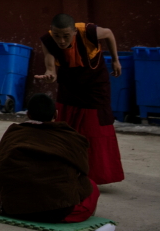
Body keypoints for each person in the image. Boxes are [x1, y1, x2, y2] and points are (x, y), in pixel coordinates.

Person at [34, 14, 124, 185]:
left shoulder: (89, 32)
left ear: (74, 32)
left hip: (94, 84)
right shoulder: (48, 40)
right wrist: (49, 75)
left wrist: (115, 60)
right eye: (57, 35)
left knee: (95, 128)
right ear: (51, 31)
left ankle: (94, 175)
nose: (61, 41)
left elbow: (110, 33)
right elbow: (51, 67)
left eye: (66, 36)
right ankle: (67, 170)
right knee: (66, 126)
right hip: (69, 85)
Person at [0, 93, 99, 222]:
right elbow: (84, 170)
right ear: (55, 115)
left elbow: (0, 167)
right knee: (91, 186)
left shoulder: (13, 134)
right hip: (57, 213)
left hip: (13, 209)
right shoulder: (70, 137)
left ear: (28, 115)